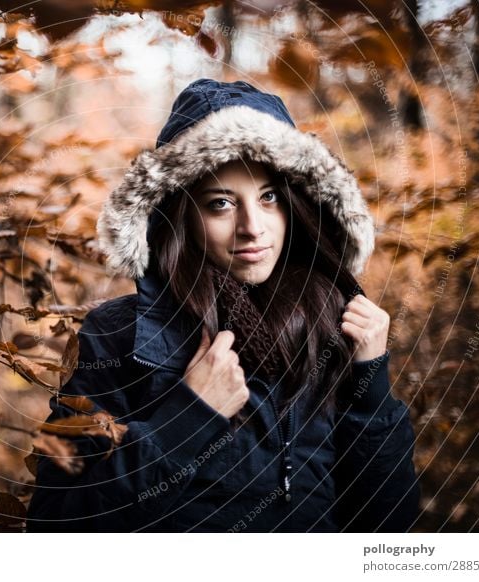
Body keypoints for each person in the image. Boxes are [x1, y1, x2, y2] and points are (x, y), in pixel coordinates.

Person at [25, 78, 420, 532]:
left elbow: (389, 531)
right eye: (220, 204)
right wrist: (190, 418)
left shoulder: (336, 324)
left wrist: (371, 385)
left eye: (269, 197)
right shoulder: (120, 334)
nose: (252, 227)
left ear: (299, 205)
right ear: (181, 217)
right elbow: (59, 528)